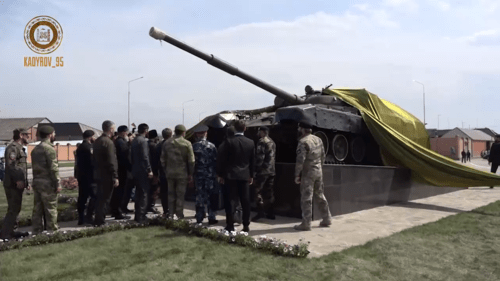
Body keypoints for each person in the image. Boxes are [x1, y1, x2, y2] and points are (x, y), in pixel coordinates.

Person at [217, 120, 255, 232]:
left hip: (230, 175)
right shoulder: (250, 142)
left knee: (230, 201)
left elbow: (222, 160)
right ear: (245, 129)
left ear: (234, 128)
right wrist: (251, 175)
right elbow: (252, 161)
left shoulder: (229, 141)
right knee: (245, 201)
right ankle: (246, 225)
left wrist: (220, 174)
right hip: (244, 176)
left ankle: (230, 225)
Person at [294, 122, 332, 231]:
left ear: (302, 129)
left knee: (306, 198)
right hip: (318, 171)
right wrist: (319, 167)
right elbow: (323, 156)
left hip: (308, 173)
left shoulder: (303, 141)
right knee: (320, 194)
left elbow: (300, 161)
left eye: (299, 128)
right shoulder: (318, 139)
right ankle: (327, 218)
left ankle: (306, 223)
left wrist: (297, 174)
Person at [31, 126, 61, 234]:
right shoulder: (49, 149)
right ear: (50, 135)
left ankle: (36, 230)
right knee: (51, 208)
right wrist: (57, 183)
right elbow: (53, 168)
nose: (54, 135)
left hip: (37, 182)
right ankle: (52, 231)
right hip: (47, 183)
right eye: (54, 133)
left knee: (37, 208)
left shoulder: (35, 149)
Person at [1, 128, 30, 239]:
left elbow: (21, 167)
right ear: (21, 135)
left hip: (17, 183)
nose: (28, 137)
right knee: (13, 209)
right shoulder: (13, 148)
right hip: (12, 184)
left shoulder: (20, 148)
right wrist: (18, 180)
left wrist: (26, 182)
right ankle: (6, 234)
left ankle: (11, 231)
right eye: (27, 135)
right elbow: (11, 165)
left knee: (16, 208)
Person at [160, 124, 194, 219]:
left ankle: (170, 214)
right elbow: (191, 161)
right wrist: (191, 173)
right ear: (183, 132)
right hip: (182, 173)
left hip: (170, 172)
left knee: (170, 194)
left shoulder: (167, 143)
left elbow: (162, 159)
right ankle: (179, 215)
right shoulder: (187, 143)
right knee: (180, 195)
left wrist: (166, 169)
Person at [93, 120, 119, 226]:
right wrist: (115, 176)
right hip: (107, 175)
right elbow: (111, 160)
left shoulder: (98, 140)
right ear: (111, 129)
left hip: (98, 173)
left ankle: (98, 219)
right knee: (105, 199)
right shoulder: (108, 142)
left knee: (100, 198)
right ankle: (100, 221)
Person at [192, 125, 218, 224]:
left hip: (198, 174)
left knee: (199, 196)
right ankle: (212, 217)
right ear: (205, 133)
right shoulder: (212, 146)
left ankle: (199, 217)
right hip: (210, 175)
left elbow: (192, 162)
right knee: (211, 195)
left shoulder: (194, 146)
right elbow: (216, 160)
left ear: (198, 134)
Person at [251, 126, 276, 222]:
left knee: (257, 191)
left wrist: (255, 170)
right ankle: (270, 213)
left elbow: (259, 158)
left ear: (262, 132)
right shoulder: (272, 142)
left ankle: (260, 211)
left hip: (263, 171)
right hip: (271, 171)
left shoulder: (262, 141)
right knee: (269, 192)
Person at [131, 123, 154, 223]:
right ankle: (142, 216)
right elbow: (145, 157)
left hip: (135, 170)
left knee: (138, 193)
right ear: (145, 130)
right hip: (143, 170)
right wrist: (149, 170)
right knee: (144, 194)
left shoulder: (134, 140)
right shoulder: (143, 141)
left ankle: (137, 216)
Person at [76, 130, 97, 225]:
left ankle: (81, 218)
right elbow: (92, 162)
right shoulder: (88, 147)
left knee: (82, 198)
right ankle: (89, 216)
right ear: (90, 137)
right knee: (94, 196)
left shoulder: (80, 147)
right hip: (89, 176)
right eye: (93, 136)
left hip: (81, 176)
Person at [111, 125, 131, 220]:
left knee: (118, 192)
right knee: (120, 192)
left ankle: (115, 210)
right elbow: (125, 157)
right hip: (121, 170)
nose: (127, 134)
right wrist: (130, 168)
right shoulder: (121, 142)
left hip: (119, 169)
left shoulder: (118, 141)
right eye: (126, 132)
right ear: (123, 132)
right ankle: (118, 212)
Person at [154, 128, 172, 216]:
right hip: (171, 172)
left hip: (162, 172)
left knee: (164, 193)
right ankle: (171, 210)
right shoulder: (172, 145)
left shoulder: (159, 145)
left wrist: (156, 174)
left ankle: (166, 210)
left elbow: (156, 161)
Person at [147, 129, 160, 214]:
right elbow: (155, 161)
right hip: (153, 171)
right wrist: (156, 173)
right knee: (154, 190)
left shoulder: (146, 144)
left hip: (146, 170)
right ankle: (151, 206)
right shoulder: (154, 146)